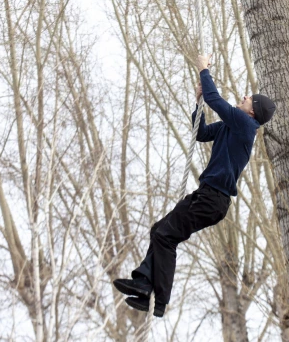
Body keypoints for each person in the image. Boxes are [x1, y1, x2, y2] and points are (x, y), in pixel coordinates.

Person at [113, 54, 276, 317]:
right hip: (207, 196)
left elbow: (216, 99)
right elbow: (200, 133)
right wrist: (197, 102)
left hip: (213, 199)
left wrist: (204, 70)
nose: (244, 96)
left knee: (165, 235)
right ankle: (144, 283)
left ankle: (159, 298)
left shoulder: (245, 126)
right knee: (161, 231)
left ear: (253, 111)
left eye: (249, 98)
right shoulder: (230, 127)